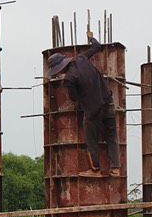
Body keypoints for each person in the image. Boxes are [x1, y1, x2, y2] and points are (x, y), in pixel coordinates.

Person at [46, 34, 120, 176]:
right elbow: (97, 47)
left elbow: (74, 98)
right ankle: (115, 167)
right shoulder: (82, 58)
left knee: (91, 139)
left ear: (61, 68)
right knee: (111, 136)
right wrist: (91, 37)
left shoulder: (69, 79)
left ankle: (95, 169)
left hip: (93, 110)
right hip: (108, 102)